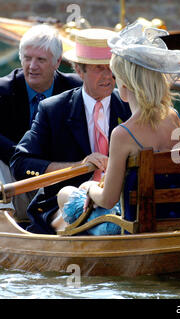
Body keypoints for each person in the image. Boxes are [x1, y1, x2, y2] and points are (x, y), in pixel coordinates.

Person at [50, 22, 180, 235]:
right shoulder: (174, 118)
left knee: (66, 193)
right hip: (166, 213)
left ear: (124, 87)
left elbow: (108, 198)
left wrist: (89, 188)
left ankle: (77, 248)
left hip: (128, 226)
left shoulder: (123, 134)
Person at [10, 28, 132, 234]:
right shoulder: (53, 109)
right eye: (98, 69)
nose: (108, 76)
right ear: (78, 69)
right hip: (62, 203)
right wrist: (79, 165)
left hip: (123, 203)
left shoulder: (130, 106)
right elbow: (21, 163)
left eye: (112, 68)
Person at [0, 24, 82, 218]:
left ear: (57, 62)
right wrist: (31, 163)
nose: (32, 66)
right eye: (27, 58)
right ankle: (4, 222)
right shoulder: (3, 90)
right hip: (14, 178)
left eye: (41, 60)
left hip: (60, 179)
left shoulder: (76, 90)